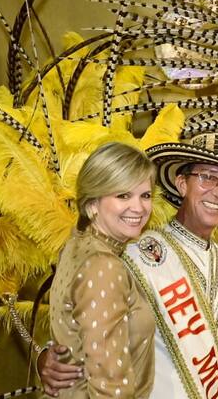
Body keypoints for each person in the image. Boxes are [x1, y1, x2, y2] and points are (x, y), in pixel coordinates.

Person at [40, 133, 218, 399]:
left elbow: (207, 337)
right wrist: (48, 355)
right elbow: (84, 317)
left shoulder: (217, 257)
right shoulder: (136, 249)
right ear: (182, 184)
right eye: (208, 177)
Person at [46, 141, 156, 397]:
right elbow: (110, 387)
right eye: (122, 195)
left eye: (145, 195)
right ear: (92, 203)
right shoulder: (103, 266)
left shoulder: (77, 244)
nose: (139, 208)